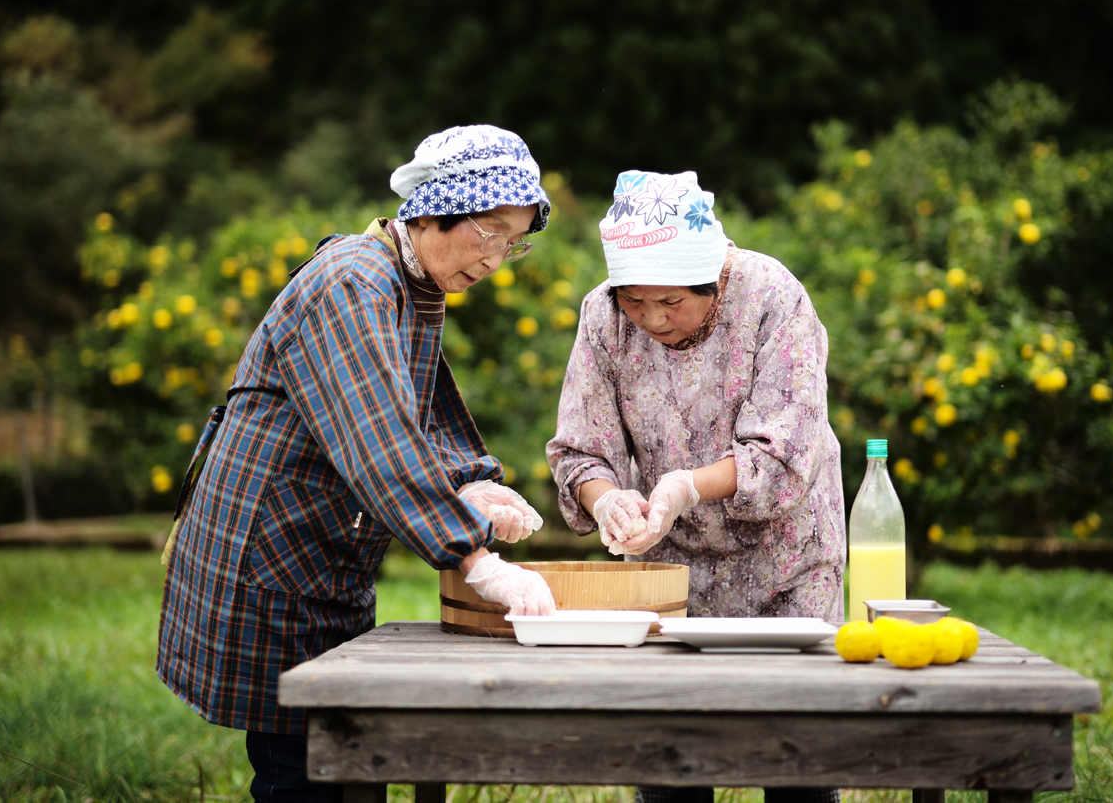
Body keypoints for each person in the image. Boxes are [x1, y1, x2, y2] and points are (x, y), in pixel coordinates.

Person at [158, 125, 557, 803]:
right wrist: (476, 561)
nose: (496, 258)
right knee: (307, 768)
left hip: (318, 556)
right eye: (488, 231)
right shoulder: (352, 281)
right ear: (432, 210)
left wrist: (474, 481)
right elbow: (379, 439)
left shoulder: (407, 283)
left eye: (512, 241)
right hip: (270, 555)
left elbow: (422, 406)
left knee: (346, 759)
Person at [547, 170, 844, 803]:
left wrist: (684, 485)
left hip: (786, 568)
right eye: (636, 301)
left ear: (713, 278)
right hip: (672, 571)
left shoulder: (772, 296)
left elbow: (785, 453)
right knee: (670, 758)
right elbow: (580, 450)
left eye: (672, 302)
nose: (652, 319)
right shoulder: (604, 314)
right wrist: (611, 500)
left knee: (796, 761)